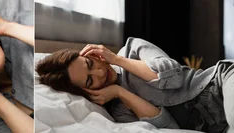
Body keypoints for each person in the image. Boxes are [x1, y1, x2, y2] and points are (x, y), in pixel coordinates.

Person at [36, 37, 232, 132]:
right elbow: (169, 127)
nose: (100, 72)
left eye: (91, 63)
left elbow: (174, 77)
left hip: (221, 85)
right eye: (90, 80)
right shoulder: (118, 110)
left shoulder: (132, 48)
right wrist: (120, 92)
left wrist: (117, 60)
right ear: (85, 91)